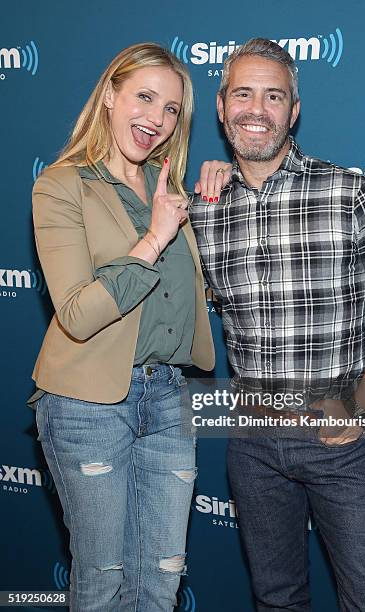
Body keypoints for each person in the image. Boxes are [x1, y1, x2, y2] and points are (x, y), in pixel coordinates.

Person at [190, 38, 365, 611]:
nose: (257, 109)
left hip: (336, 438)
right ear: (221, 106)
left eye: (274, 96)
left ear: (294, 111)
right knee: (276, 598)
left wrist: (361, 405)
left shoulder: (351, 194)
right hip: (249, 438)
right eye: (243, 94)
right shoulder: (200, 207)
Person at [31, 42, 229, 612]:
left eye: (171, 110)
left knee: (161, 580)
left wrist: (217, 180)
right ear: (111, 95)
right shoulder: (62, 186)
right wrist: (154, 239)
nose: (157, 120)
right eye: (144, 97)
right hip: (87, 404)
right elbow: (76, 313)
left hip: (168, 396)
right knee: (103, 580)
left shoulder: (170, 190)